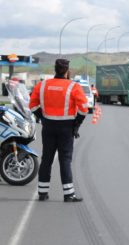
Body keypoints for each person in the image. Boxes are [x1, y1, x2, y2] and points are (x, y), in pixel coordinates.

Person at [29, 59, 89, 202]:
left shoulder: (42, 85)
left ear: (54, 69)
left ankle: (42, 193)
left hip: (48, 126)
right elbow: (84, 109)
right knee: (65, 160)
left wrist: (42, 118)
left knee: (47, 159)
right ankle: (68, 194)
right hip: (66, 128)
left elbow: (32, 105)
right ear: (67, 71)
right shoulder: (73, 86)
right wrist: (77, 124)